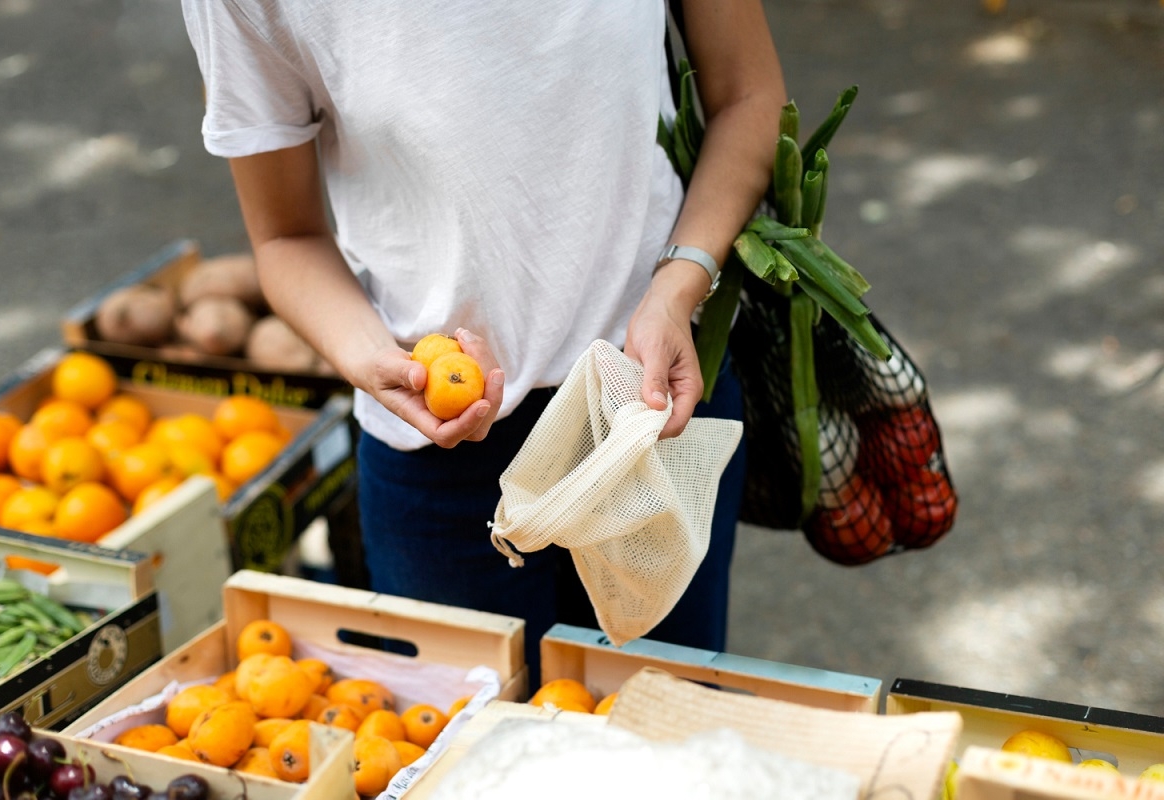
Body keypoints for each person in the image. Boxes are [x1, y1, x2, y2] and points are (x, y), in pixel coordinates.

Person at [180, 0, 786, 686]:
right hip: (439, 462)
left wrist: (680, 283)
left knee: (670, 750)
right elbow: (285, 238)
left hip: (653, 407)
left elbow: (748, 96)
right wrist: (373, 360)